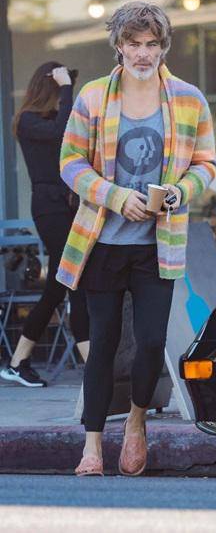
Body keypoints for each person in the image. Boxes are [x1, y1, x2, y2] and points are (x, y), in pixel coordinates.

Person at [58, 2, 216, 477]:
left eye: (151, 44)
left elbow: (206, 165)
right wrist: (112, 195)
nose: (143, 53)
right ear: (119, 46)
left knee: (149, 343)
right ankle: (91, 446)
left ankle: (135, 422)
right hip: (101, 243)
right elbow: (69, 162)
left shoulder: (189, 99)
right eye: (133, 43)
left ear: (163, 46)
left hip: (157, 244)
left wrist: (177, 192)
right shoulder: (91, 98)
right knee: (104, 342)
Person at [1, 62, 90, 388]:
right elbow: (61, 133)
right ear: (50, 89)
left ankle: (18, 361)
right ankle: (94, 368)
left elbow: (72, 133)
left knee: (58, 285)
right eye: (62, 91)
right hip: (50, 209)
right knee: (75, 278)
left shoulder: (53, 119)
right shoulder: (27, 121)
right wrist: (66, 87)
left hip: (66, 207)